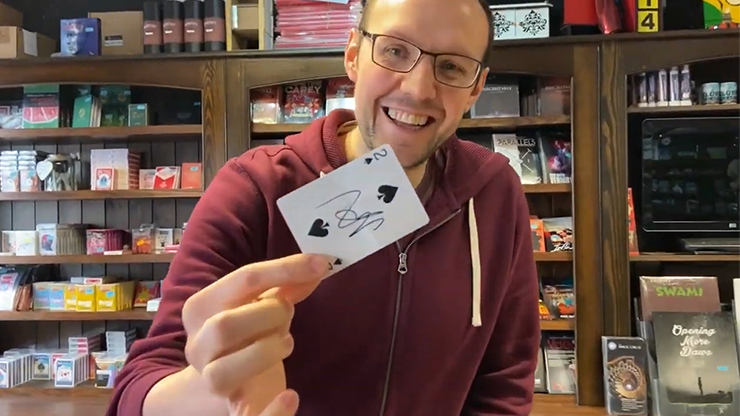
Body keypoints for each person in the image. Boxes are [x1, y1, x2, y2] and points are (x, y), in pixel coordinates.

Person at [106, 0, 541, 414]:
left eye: (451, 67)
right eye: (395, 50)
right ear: (353, 56)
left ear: (476, 87)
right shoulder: (253, 191)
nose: (417, 89)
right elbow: (135, 392)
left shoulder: (495, 194)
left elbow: (505, 381)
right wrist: (207, 393)